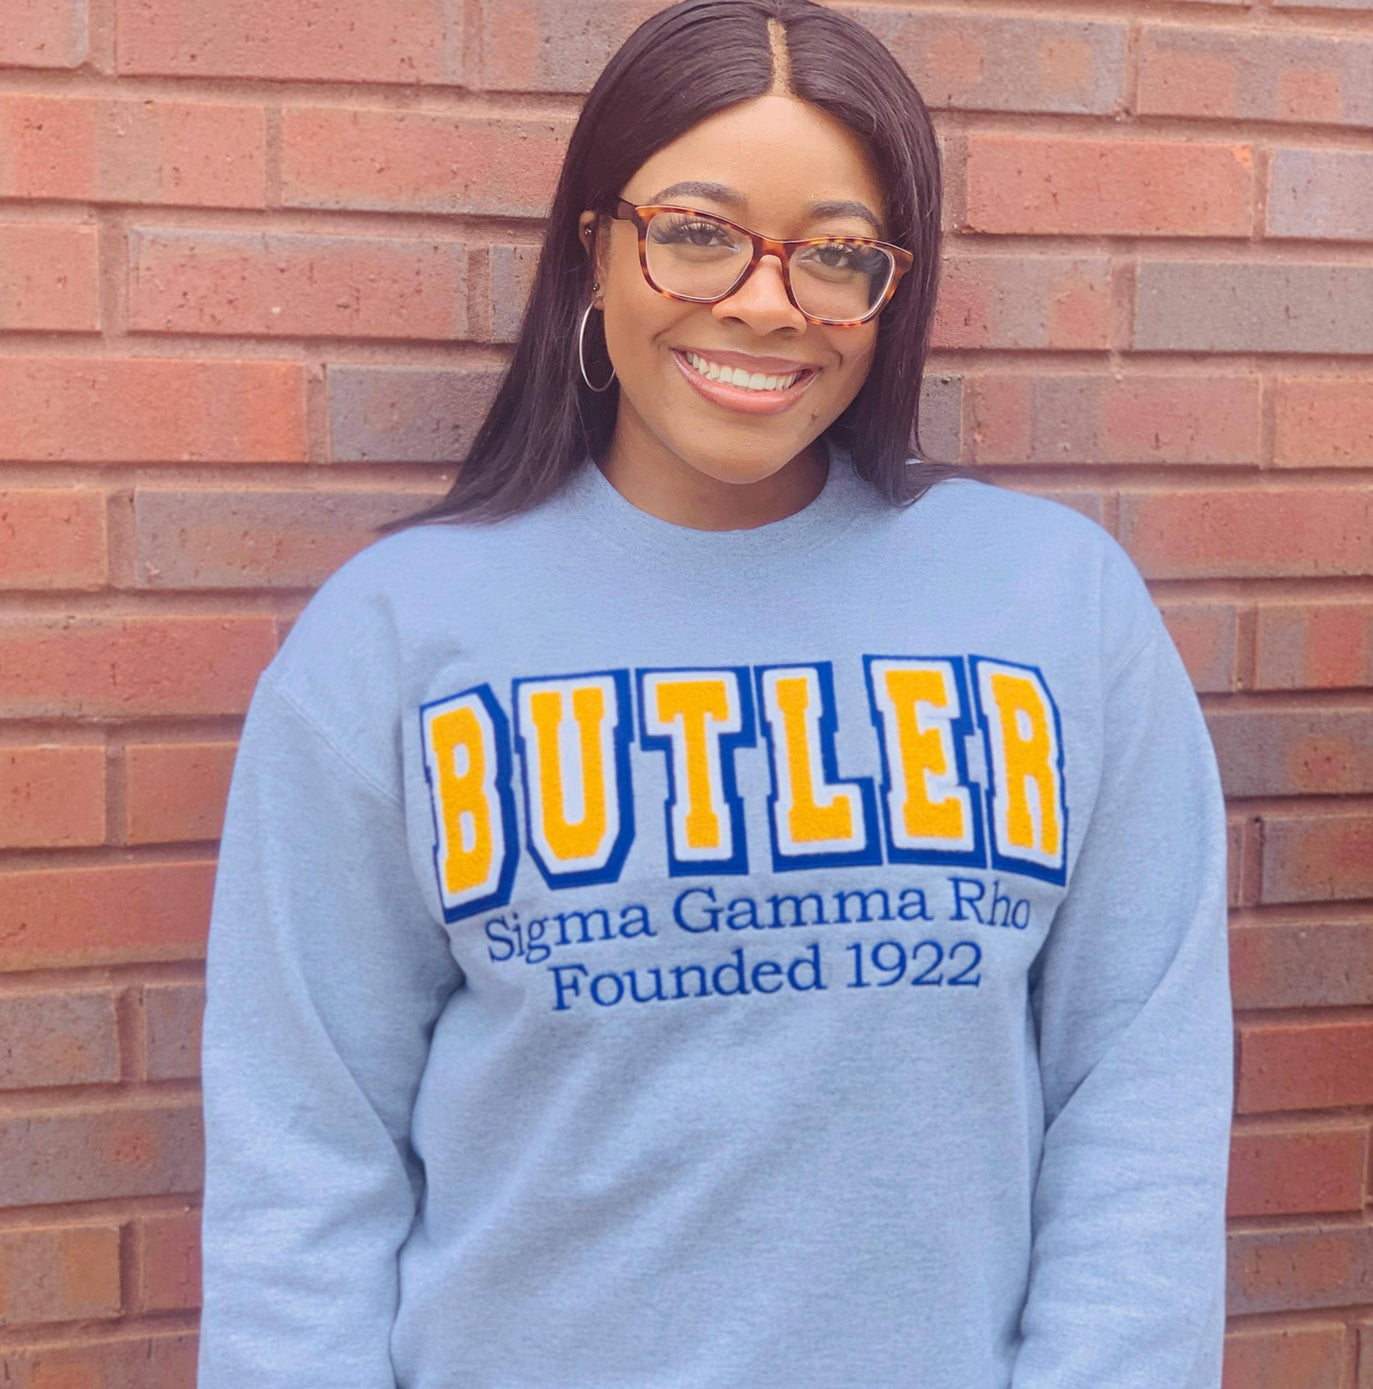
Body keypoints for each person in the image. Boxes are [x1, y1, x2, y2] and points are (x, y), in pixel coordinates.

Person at [196, 1, 1234, 1386]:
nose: (763, 302)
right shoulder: (389, 638)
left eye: (837, 254)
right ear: (594, 251)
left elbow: (1140, 1109)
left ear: (892, 291)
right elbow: (301, 1158)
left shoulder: (1056, 608)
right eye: (696, 232)